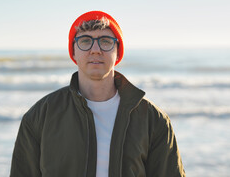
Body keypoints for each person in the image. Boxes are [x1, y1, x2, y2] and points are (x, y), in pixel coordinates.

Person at [10, 11, 185, 177]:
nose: (95, 49)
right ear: (73, 52)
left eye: (106, 41)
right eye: (85, 41)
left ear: (118, 52)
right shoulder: (41, 116)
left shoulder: (153, 119)